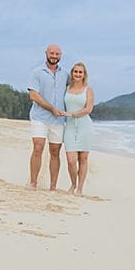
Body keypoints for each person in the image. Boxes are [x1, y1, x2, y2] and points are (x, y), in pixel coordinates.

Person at [27, 43, 67, 190]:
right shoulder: (37, 72)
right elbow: (33, 95)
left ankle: (53, 186)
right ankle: (33, 183)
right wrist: (51, 108)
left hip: (58, 120)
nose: (54, 57)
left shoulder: (65, 74)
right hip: (40, 117)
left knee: (55, 152)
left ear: (61, 55)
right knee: (38, 148)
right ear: (46, 53)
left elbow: (73, 91)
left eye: (57, 54)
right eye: (52, 53)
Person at [61, 62, 95, 195]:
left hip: (85, 127)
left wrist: (73, 114)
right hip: (69, 127)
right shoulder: (67, 89)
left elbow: (88, 109)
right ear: (72, 73)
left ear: (84, 74)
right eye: (75, 71)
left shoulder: (88, 90)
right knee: (71, 160)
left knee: (83, 159)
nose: (78, 74)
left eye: (80, 72)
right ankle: (73, 184)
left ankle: (80, 188)